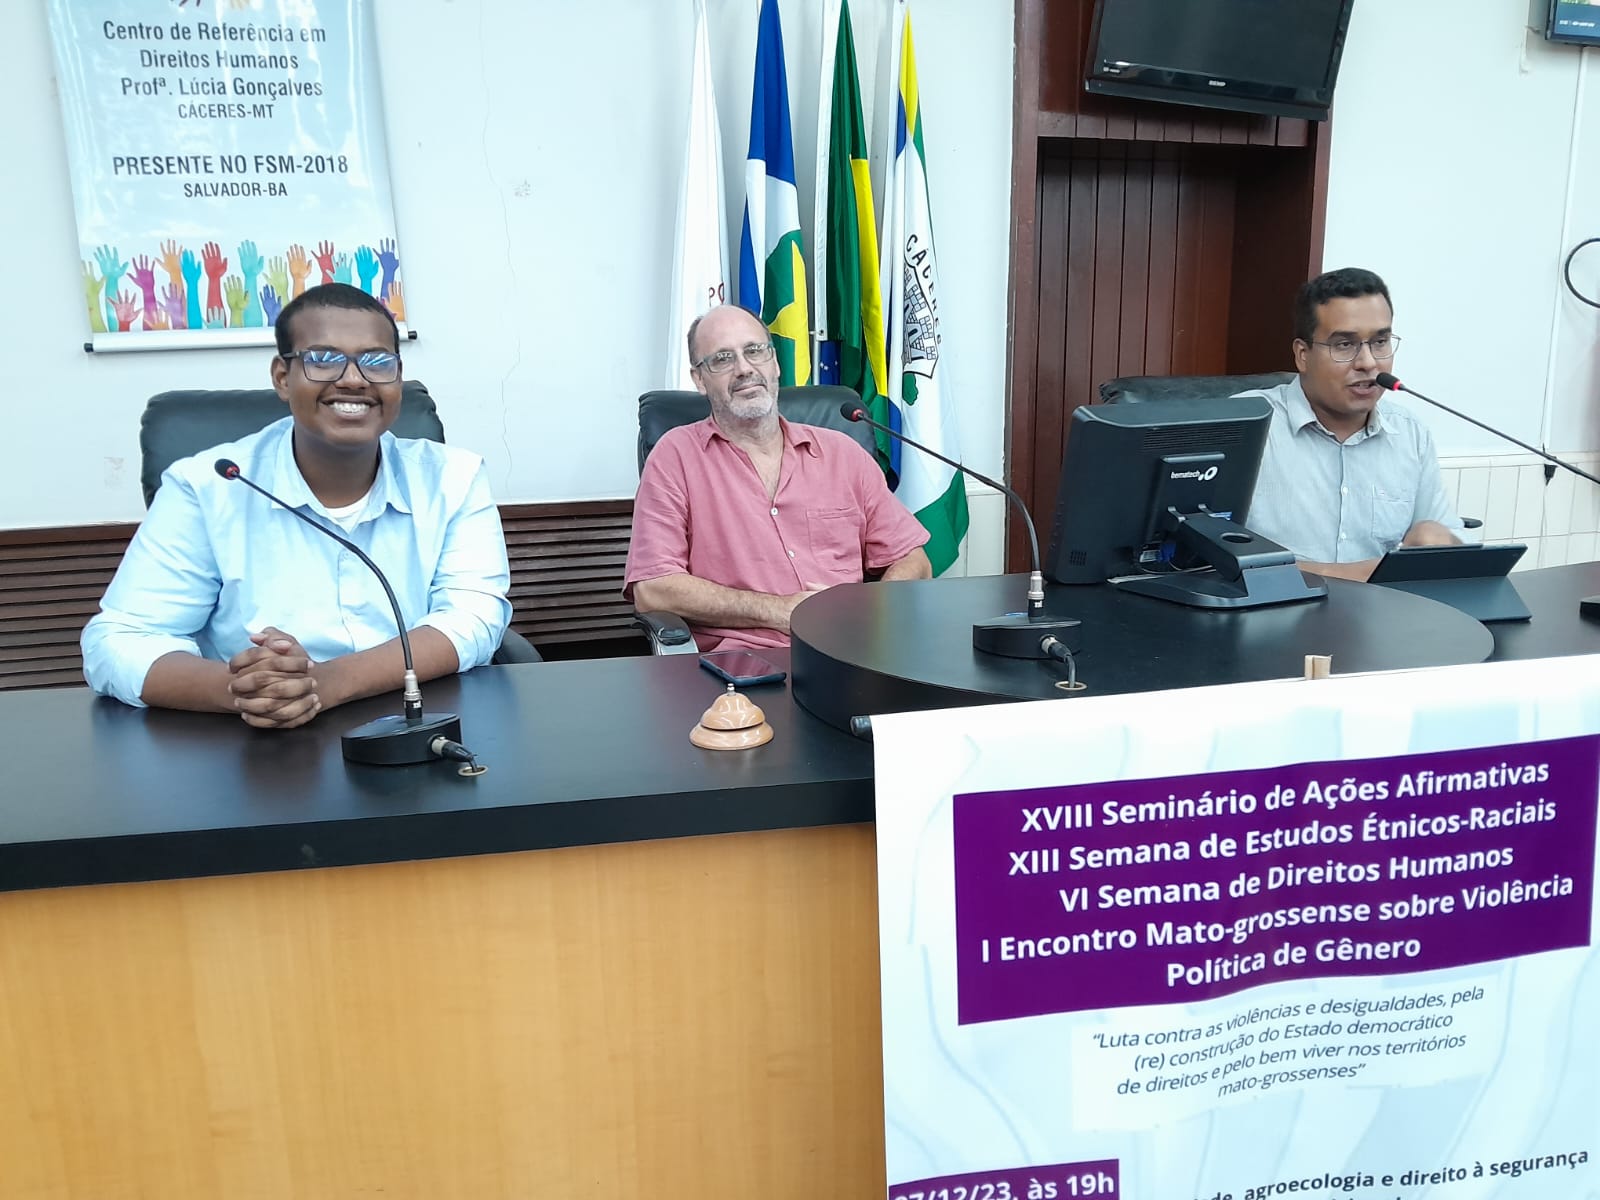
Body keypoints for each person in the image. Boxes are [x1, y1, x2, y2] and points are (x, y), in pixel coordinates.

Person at [82, 282, 511, 728]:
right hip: (252, 741)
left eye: (377, 361)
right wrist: (244, 690)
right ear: (283, 378)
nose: (353, 379)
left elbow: (474, 617)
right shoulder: (209, 486)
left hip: (418, 721)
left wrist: (327, 683)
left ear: (398, 378)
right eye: (323, 359)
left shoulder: (452, 478)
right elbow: (118, 640)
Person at [626, 303, 932, 652]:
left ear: (775, 362)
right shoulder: (675, 457)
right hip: (743, 664)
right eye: (723, 359)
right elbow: (653, 589)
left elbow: (914, 561)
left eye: (755, 351)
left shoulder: (842, 454)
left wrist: (868, 613)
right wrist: (779, 610)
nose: (745, 368)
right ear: (699, 379)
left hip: (850, 651)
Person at [1235, 267, 1461, 582]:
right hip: (1271, 610)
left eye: (1380, 342)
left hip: (1385, 611)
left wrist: (1443, 542)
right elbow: (1203, 562)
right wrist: (1353, 575)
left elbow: (1449, 550)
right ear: (1302, 355)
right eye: (1344, 345)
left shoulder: (1410, 433)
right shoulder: (1241, 426)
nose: (1368, 362)